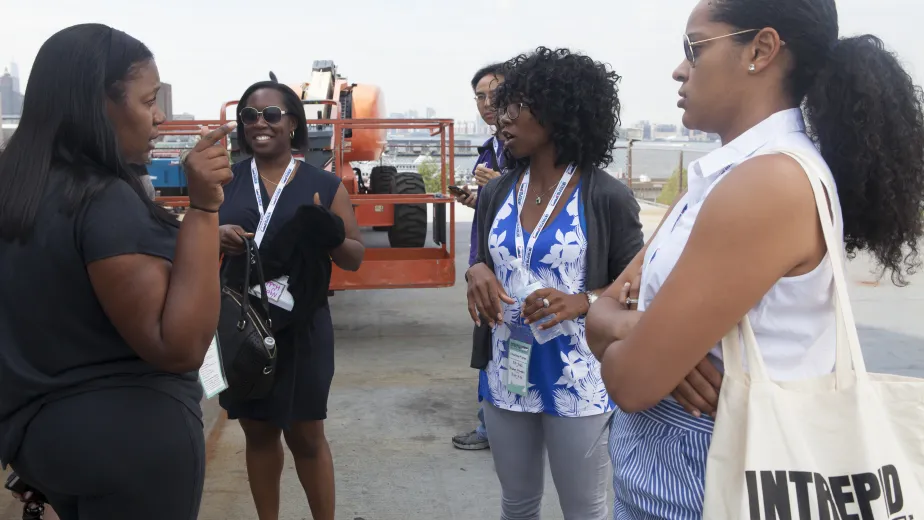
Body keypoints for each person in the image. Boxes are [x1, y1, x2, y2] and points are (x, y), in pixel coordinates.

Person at [585, 1, 924, 518]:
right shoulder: (717, 179)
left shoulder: (769, 184)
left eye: (694, 48)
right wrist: (645, 334)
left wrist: (631, 335)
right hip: (664, 481)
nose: (679, 69)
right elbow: (602, 314)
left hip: (715, 484)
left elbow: (629, 381)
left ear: (761, 50)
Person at [0, 23, 234, 519]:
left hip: (41, 438)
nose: (159, 116)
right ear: (98, 104)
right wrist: (205, 210)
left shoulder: (17, 188)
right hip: (135, 442)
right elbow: (179, 346)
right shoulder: (102, 199)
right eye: (148, 101)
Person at [467, 47, 644, 519]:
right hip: (507, 369)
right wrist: (476, 269)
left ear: (558, 111)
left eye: (514, 106)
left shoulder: (607, 195)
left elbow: (640, 287)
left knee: (584, 510)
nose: (501, 117)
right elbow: (485, 259)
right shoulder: (497, 191)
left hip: (578, 377)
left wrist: (581, 301)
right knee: (517, 504)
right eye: (499, 106)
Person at [217, 77, 364, 520]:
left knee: (306, 435)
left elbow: (354, 257)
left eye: (271, 115)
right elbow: (191, 242)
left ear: (294, 124)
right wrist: (213, 236)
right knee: (258, 434)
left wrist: (331, 233)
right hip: (242, 325)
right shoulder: (224, 181)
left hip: (303, 328)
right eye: (249, 116)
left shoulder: (325, 183)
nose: (259, 123)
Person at [451, 62, 506, 451]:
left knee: (504, 344)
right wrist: (477, 197)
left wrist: (503, 184)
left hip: (507, 266)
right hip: (484, 260)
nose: (488, 103)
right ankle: (490, 425)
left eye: (496, 93)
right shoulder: (493, 147)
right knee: (487, 345)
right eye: (480, 97)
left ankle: (499, 428)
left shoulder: (528, 150)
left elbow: (542, 200)